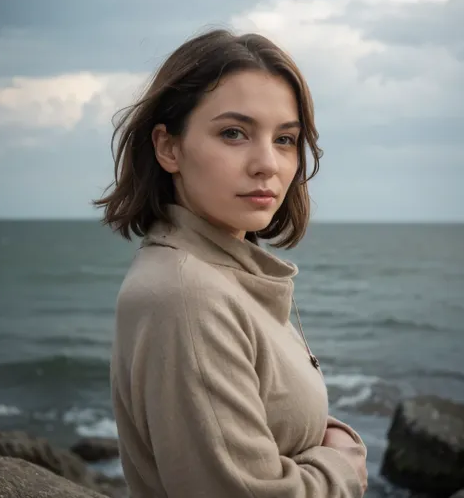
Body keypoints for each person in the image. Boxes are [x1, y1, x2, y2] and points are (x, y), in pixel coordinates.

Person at [94, 29, 368, 497]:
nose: (268, 164)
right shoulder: (187, 296)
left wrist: (328, 433)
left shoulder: (226, 274)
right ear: (168, 148)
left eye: (285, 139)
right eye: (234, 133)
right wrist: (343, 463)